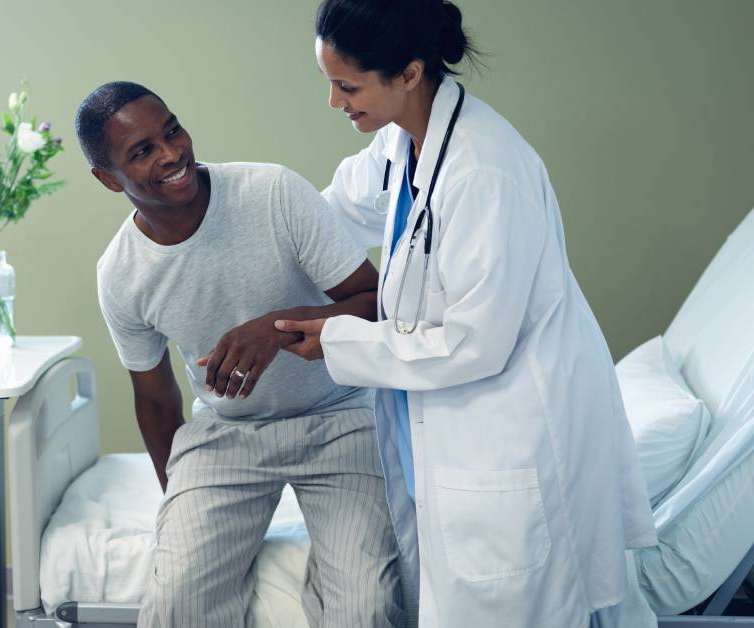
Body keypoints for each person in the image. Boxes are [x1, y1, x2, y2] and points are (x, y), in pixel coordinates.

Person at [272, 1, 658, 626]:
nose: (335, 103)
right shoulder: (403, 143)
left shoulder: (484, 170)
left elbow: (475, 343)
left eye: (348, 86)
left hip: (510, 428)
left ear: (409, 73)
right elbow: (327, 216)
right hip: (454, 420)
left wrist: (343, 339)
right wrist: (228, 214)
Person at [77, 80, 404, 627]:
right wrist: (183, 504)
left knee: (365, 606)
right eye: (142, 151)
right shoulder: (120, 274)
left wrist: (275, 331)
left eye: (172, 129)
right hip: (228, 431)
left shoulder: (272, 192)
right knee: (176, 604)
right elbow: (156, 405)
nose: (172, 153)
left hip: (339, 415)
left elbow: (376, 304)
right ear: (108, 178)